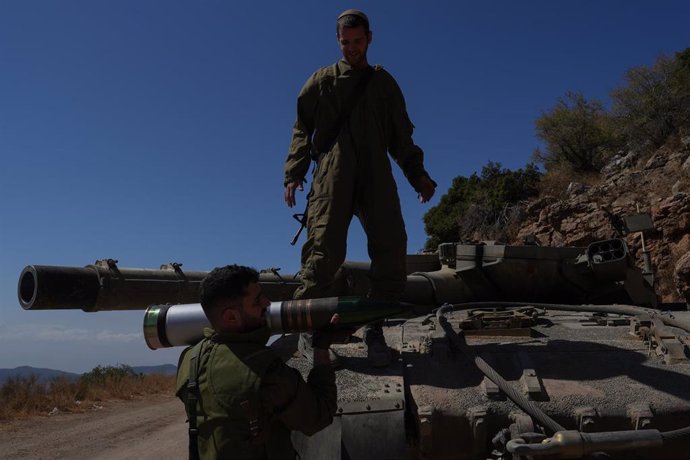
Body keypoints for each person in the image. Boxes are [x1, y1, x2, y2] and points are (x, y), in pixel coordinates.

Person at [283, 9, 436, 367]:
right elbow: (301, 128)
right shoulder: (322, 81)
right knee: (323, 252)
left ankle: (375, 326)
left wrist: (419, 176)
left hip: (376, 173)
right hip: (332, 173)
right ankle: (309, 330)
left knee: (391, 247)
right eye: (345, 42)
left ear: (370, 38)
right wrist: (294, 172)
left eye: (358, 41)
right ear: (338, 41)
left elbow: (402, 137)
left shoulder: (384, 84)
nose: (352, 48)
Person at [176, 265, 339, 460]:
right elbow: (318, 416)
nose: (267, 303)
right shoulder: (264, 371)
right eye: (256, 301)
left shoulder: (189, 360)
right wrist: (320, 349)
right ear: (231, 317)